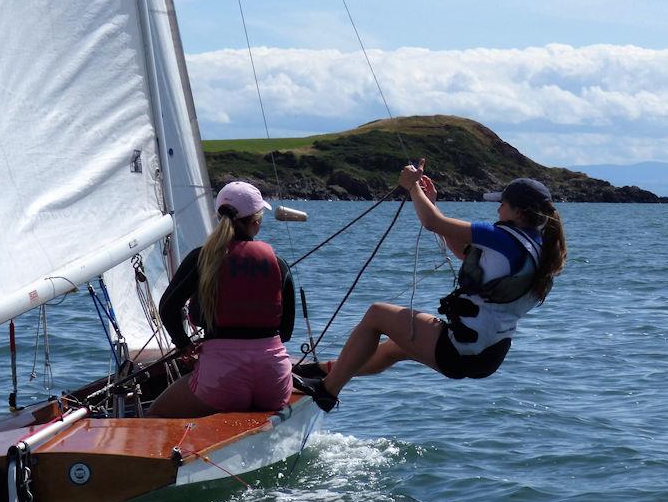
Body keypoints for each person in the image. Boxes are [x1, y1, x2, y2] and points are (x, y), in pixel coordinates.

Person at [295, 160, 567, 411]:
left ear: (518, 212)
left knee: (377, 314)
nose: (498, 209)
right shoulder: (540, 247)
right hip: (488, 355)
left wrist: (413, 186)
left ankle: (327, 391)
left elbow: (431, 222)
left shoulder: (499, 236)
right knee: (393, 347)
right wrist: (430, 202)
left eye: (503, 204)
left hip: (460, 349)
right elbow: (463, 251)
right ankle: (322, 370)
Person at [149, 181, 295, 418]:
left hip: (221, 382)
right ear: (256, 222)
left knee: (154, 415)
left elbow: (167, 308)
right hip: (273, 383)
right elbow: (286, 332)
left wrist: (183, 344)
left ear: (218, 216)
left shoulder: (202, 258)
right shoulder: (278, 264)